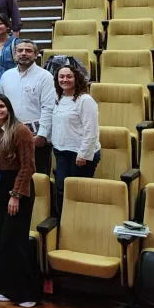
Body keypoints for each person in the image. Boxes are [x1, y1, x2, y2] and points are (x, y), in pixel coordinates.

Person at [0, 94, 39, 308]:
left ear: (8, 108)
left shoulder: (20, 131)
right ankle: (9, 288)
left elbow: (28, 167)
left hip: (17, 188)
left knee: (14, 240)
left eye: (1, 106)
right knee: (2, 239)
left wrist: (16, 195)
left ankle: (27, 294)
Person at [0, 39, 56, 174]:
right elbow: (1, 106)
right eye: (20, 50)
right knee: (12, 176)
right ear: (14, 55)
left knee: (36, 178)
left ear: (36, 55)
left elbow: (48, 108)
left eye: (28, 51)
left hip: (36, 136)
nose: (23, 53)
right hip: (11, 135)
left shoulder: (45, 76)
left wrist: (42, 135)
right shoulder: (6, 76)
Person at [51, 64, 101, 215]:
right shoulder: (58, 98)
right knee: (61, 189)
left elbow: (91, 130)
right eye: (61, 77)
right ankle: (62, 221)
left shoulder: (85, 100)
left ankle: (78, 221)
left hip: (80, 154)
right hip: (62, 151)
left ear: (76, 78)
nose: (64, 79)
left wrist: (83, 153)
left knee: (78, 193)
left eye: (69, 76)